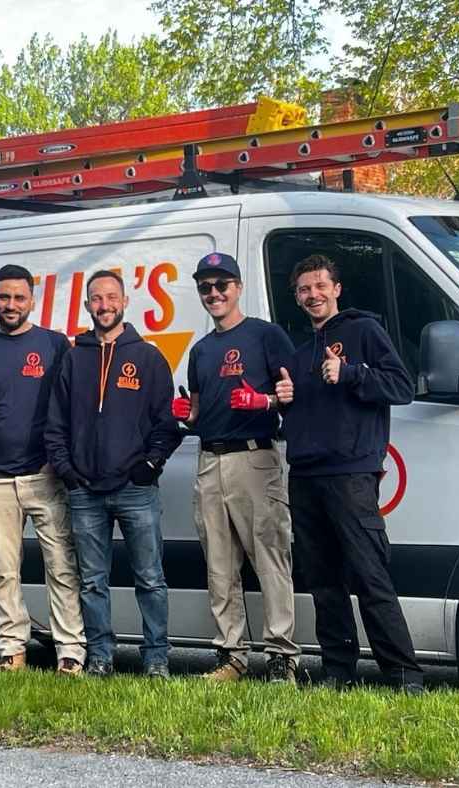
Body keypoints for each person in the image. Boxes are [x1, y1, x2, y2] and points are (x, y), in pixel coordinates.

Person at [275, 253, 424, 693]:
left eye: (320, 285)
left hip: (351, 476)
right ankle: (338, 672)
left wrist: (352, 372)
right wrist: (284, 400)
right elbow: (300, 418)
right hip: (305, 477)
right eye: (304, 289)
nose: (313, 295)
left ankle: (403, 675)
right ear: (297, 297)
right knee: (324, 583)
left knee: (369, 576)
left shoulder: (364, 332)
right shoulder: (299, 354)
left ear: (336, 289)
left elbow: (401, 387)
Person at [45, 270, 182, 678]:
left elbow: (166, 424)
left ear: (124, 302)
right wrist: (68, 473)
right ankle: (101, 655)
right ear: (87, 305)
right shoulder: (73, 358)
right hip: (85, 490)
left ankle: (156, 658)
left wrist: (149, 466)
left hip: (136, 490)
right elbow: (55, 425)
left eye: (111, 297)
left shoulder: (148, 357)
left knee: (150, 578)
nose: (104, 305)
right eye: (96, 299)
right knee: (92, 581)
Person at [172, 252, 300, 683]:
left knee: (269, 557)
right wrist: (186, 414)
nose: (214, 293)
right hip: (210, 460)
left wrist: (265, 400)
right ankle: (231, 655)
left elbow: (295, 395)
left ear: (238, 287)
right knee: (219, 564)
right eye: (205, 287)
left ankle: (281, 655)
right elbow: (198, 411)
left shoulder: (266, 336)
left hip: (255, 457)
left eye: (221, 285)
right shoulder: (201, 350)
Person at [0, 264, 86, 676]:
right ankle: (11, 650)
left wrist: (57, 461)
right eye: (3, 297)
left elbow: (70, 406)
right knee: (2, 570)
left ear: (33, 300)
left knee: (62, 566)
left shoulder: (55, 344)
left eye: (19, 297)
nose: (11, 304)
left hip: (45, 475)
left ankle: (70, 651)